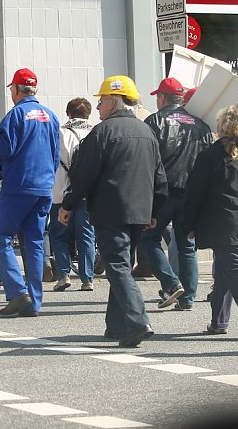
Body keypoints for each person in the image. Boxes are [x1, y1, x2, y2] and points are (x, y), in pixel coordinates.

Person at [59, 75, 167, 347]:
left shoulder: (103, 132)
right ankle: (116, 325)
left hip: (111, 209)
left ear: (112, 101)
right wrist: (154, 210)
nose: (97, 109)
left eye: (101, 102)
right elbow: (159, 177)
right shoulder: (146, 132)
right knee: (122, 264)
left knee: (116, 265)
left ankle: (138, 320)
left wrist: (68, 204)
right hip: (139, 210)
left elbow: (84, 174)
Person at [182, 105, 238, 341]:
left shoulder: (209, 156)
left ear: (220, 128)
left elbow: (195, 194)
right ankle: (219, 321)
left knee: (235, 269)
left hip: (222, 222)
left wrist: (187, 224)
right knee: (224, 271)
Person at [0, 68, 59, 317]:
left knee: (1, 237)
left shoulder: (16, 115)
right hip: (44, 185)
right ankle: (34, 301)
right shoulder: (50, 116)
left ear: (15, 90)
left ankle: (16, 292)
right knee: (34, 241)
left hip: (18, 186)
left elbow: (6, 147)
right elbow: (55, 153)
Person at [141, 77, 214, 311]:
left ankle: (171, 284)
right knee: (185, 245)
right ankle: (188, 297)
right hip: (190, 194)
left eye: (157, 98)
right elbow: (207, 164)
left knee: (148, 239)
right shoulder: (201, 125)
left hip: (162, 193)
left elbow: (147, 161)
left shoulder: (154, 122)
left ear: (162, 98)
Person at [50, 97, 96, 292]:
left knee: (59, 235)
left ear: (68, 113)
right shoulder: (97, 132)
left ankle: (63, 275)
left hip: (61, 192)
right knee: (86, 235)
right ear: (88, 114)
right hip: (87, 193)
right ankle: (87, 279)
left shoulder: (59, 133)